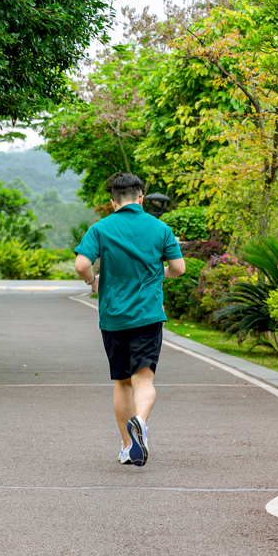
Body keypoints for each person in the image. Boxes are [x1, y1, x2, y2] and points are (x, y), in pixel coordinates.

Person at [74, 172, 186, 467]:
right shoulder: (160, 227)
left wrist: (93, 281)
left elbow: (81, 264)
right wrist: (159, 275)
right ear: (140, 198)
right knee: (144, 378)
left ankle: (127, 445)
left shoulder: (100, 228)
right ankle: (141, 421)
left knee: (122, 381)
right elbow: (178, 268)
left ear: (113, 203)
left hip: (113, 317)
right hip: (148, 315)